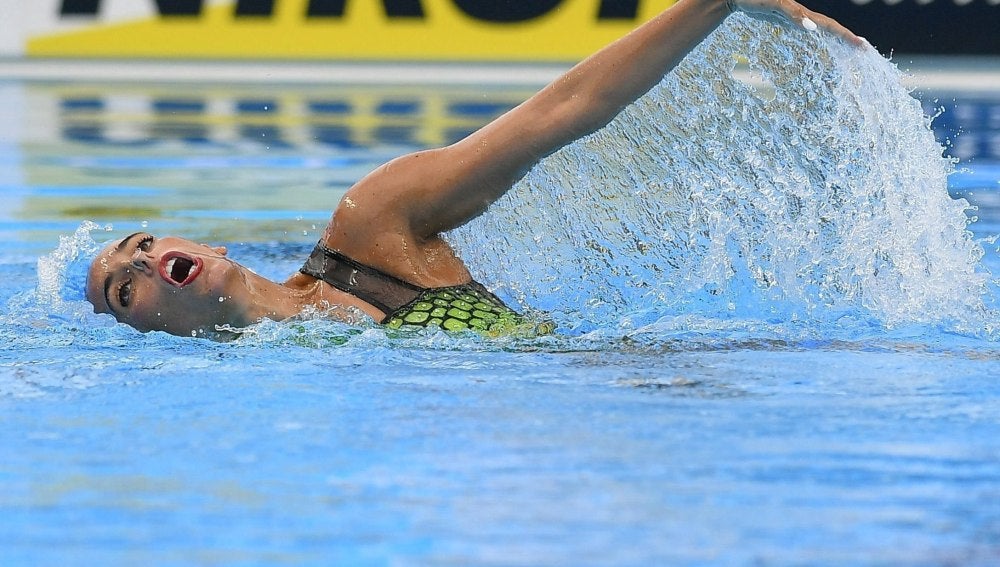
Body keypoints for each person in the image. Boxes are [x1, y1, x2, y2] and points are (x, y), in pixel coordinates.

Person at [85, 0, 863, 338]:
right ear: (153, 331)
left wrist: (712, 5)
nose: (147, 262)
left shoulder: (371, 233)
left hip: (653, 374)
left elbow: (563, 110)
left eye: (141, 243)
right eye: (127, 288)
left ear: (208, 245)